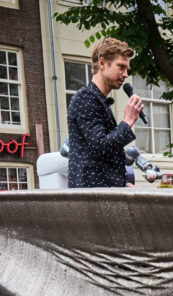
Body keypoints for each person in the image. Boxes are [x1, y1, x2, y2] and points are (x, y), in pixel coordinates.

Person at [68, 38, 144, 188]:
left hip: (101, 195)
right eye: (121, 67)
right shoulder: (86, 98)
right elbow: (101, 146)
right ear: (102, 63)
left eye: (126, 69)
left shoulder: (97, 100)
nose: (125, 74)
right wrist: (127, 121)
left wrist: (123, 185)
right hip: (92, 197)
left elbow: (102, 157)